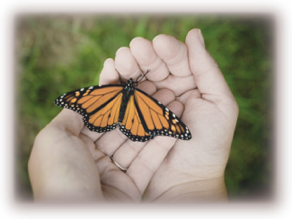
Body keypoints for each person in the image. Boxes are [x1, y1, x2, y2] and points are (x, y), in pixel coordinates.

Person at [28, 28, 239, 203]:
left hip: (109, 113)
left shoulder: (114, 91)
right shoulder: (145, 99)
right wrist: (196, 184)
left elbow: (87, 99)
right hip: (134, 121)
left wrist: (195, 183)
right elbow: (162, 118)